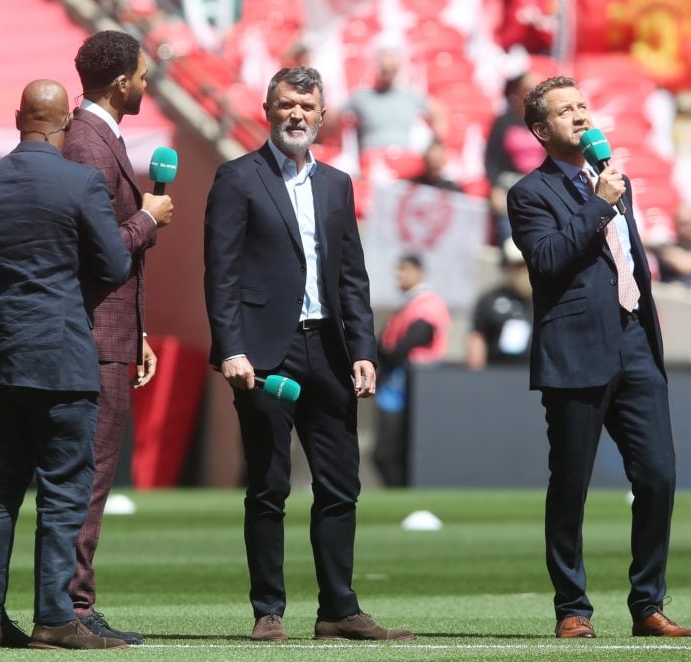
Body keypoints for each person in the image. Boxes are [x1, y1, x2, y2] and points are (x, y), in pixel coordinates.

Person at [203, 66, 416, 642]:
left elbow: (353, 275)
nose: (296, 115)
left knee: (341, 484)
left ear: (322, 117)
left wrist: (363, 348)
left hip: (329, 348)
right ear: (267, 111)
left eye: (307, 106)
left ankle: (338, 610)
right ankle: (268, 611)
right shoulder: (237, 178)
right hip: (265, 355)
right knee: (269, 486)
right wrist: (231, 348)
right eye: (286, 104)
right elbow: (219, 273)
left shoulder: (337, 184)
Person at [0, 79, 133, 650]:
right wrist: (146, 221)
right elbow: (115, 264)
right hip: (64, 352)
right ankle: (52, 616)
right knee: (65, 491)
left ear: (17, 116)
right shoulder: (81, 182)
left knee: (0, 490)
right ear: (68, 121)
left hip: (3, 353)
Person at [507, 76, 691, 639]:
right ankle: (572, 607)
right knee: (571, 483)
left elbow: (629, 259)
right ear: (542, 130)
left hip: (634, 340)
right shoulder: (529, 193)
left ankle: (648, 604)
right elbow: (546, 261)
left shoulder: (615, 181)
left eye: (583, 106)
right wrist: (597, 205)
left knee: (659, 476)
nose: (581, 116)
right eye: (565, 111)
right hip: (575, 351)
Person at [64, 29, 175, 645]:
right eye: (142, 74)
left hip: (112, 330)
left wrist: (138, 330)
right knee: (88, 476)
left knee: (90, 475)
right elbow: (98, 251)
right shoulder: (88, 142)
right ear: (119, 84)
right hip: (90, 335)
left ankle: (71, 602)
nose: (147, 84)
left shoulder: (98, 137)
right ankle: (72, 608)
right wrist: (148, 218)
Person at [373, 254, 450, 487]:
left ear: (419, 272)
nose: (399, 276)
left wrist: (386, 353)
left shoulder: (427, 304)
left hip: (411, 385)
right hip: (396, 383)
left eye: (404, 270)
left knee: (391, 451)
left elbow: (413, 340)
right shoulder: (408, 303)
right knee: (391, 451)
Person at [340, 47, 446, 152]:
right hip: (372, 157)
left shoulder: (409, 96)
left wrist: (435, 141)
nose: (387, 73)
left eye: (391, 69)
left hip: (403, 155)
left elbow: (438, 111)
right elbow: (333, 114)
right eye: (384, 69)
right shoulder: (360, 97)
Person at [484, 71, 545, 243]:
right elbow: (491, 158)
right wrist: (494, 187)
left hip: (538, 186)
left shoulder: (543, 124)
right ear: (516, 92)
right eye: (527, 89)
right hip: (509, 185)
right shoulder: (503, 122)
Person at [465, 239, 533, 370]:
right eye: (517, 265)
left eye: (525, 265)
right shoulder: (490, 300)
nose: (523, 272)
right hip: (498, 377)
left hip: (537, 379)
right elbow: (477, 341)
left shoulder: (551, 301)